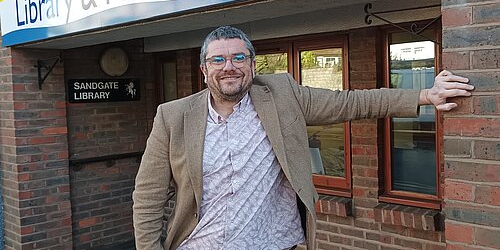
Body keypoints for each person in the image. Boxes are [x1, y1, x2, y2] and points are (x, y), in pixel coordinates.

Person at [133, 26, 474, 250]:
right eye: (218, 60)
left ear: (252, 65)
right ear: (205, 70)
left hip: (274, 244)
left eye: (239, 57)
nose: (230, 67)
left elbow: (351, 103)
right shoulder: (173, 117)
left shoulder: (282, 96)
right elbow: (148, 197)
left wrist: (425, 95)